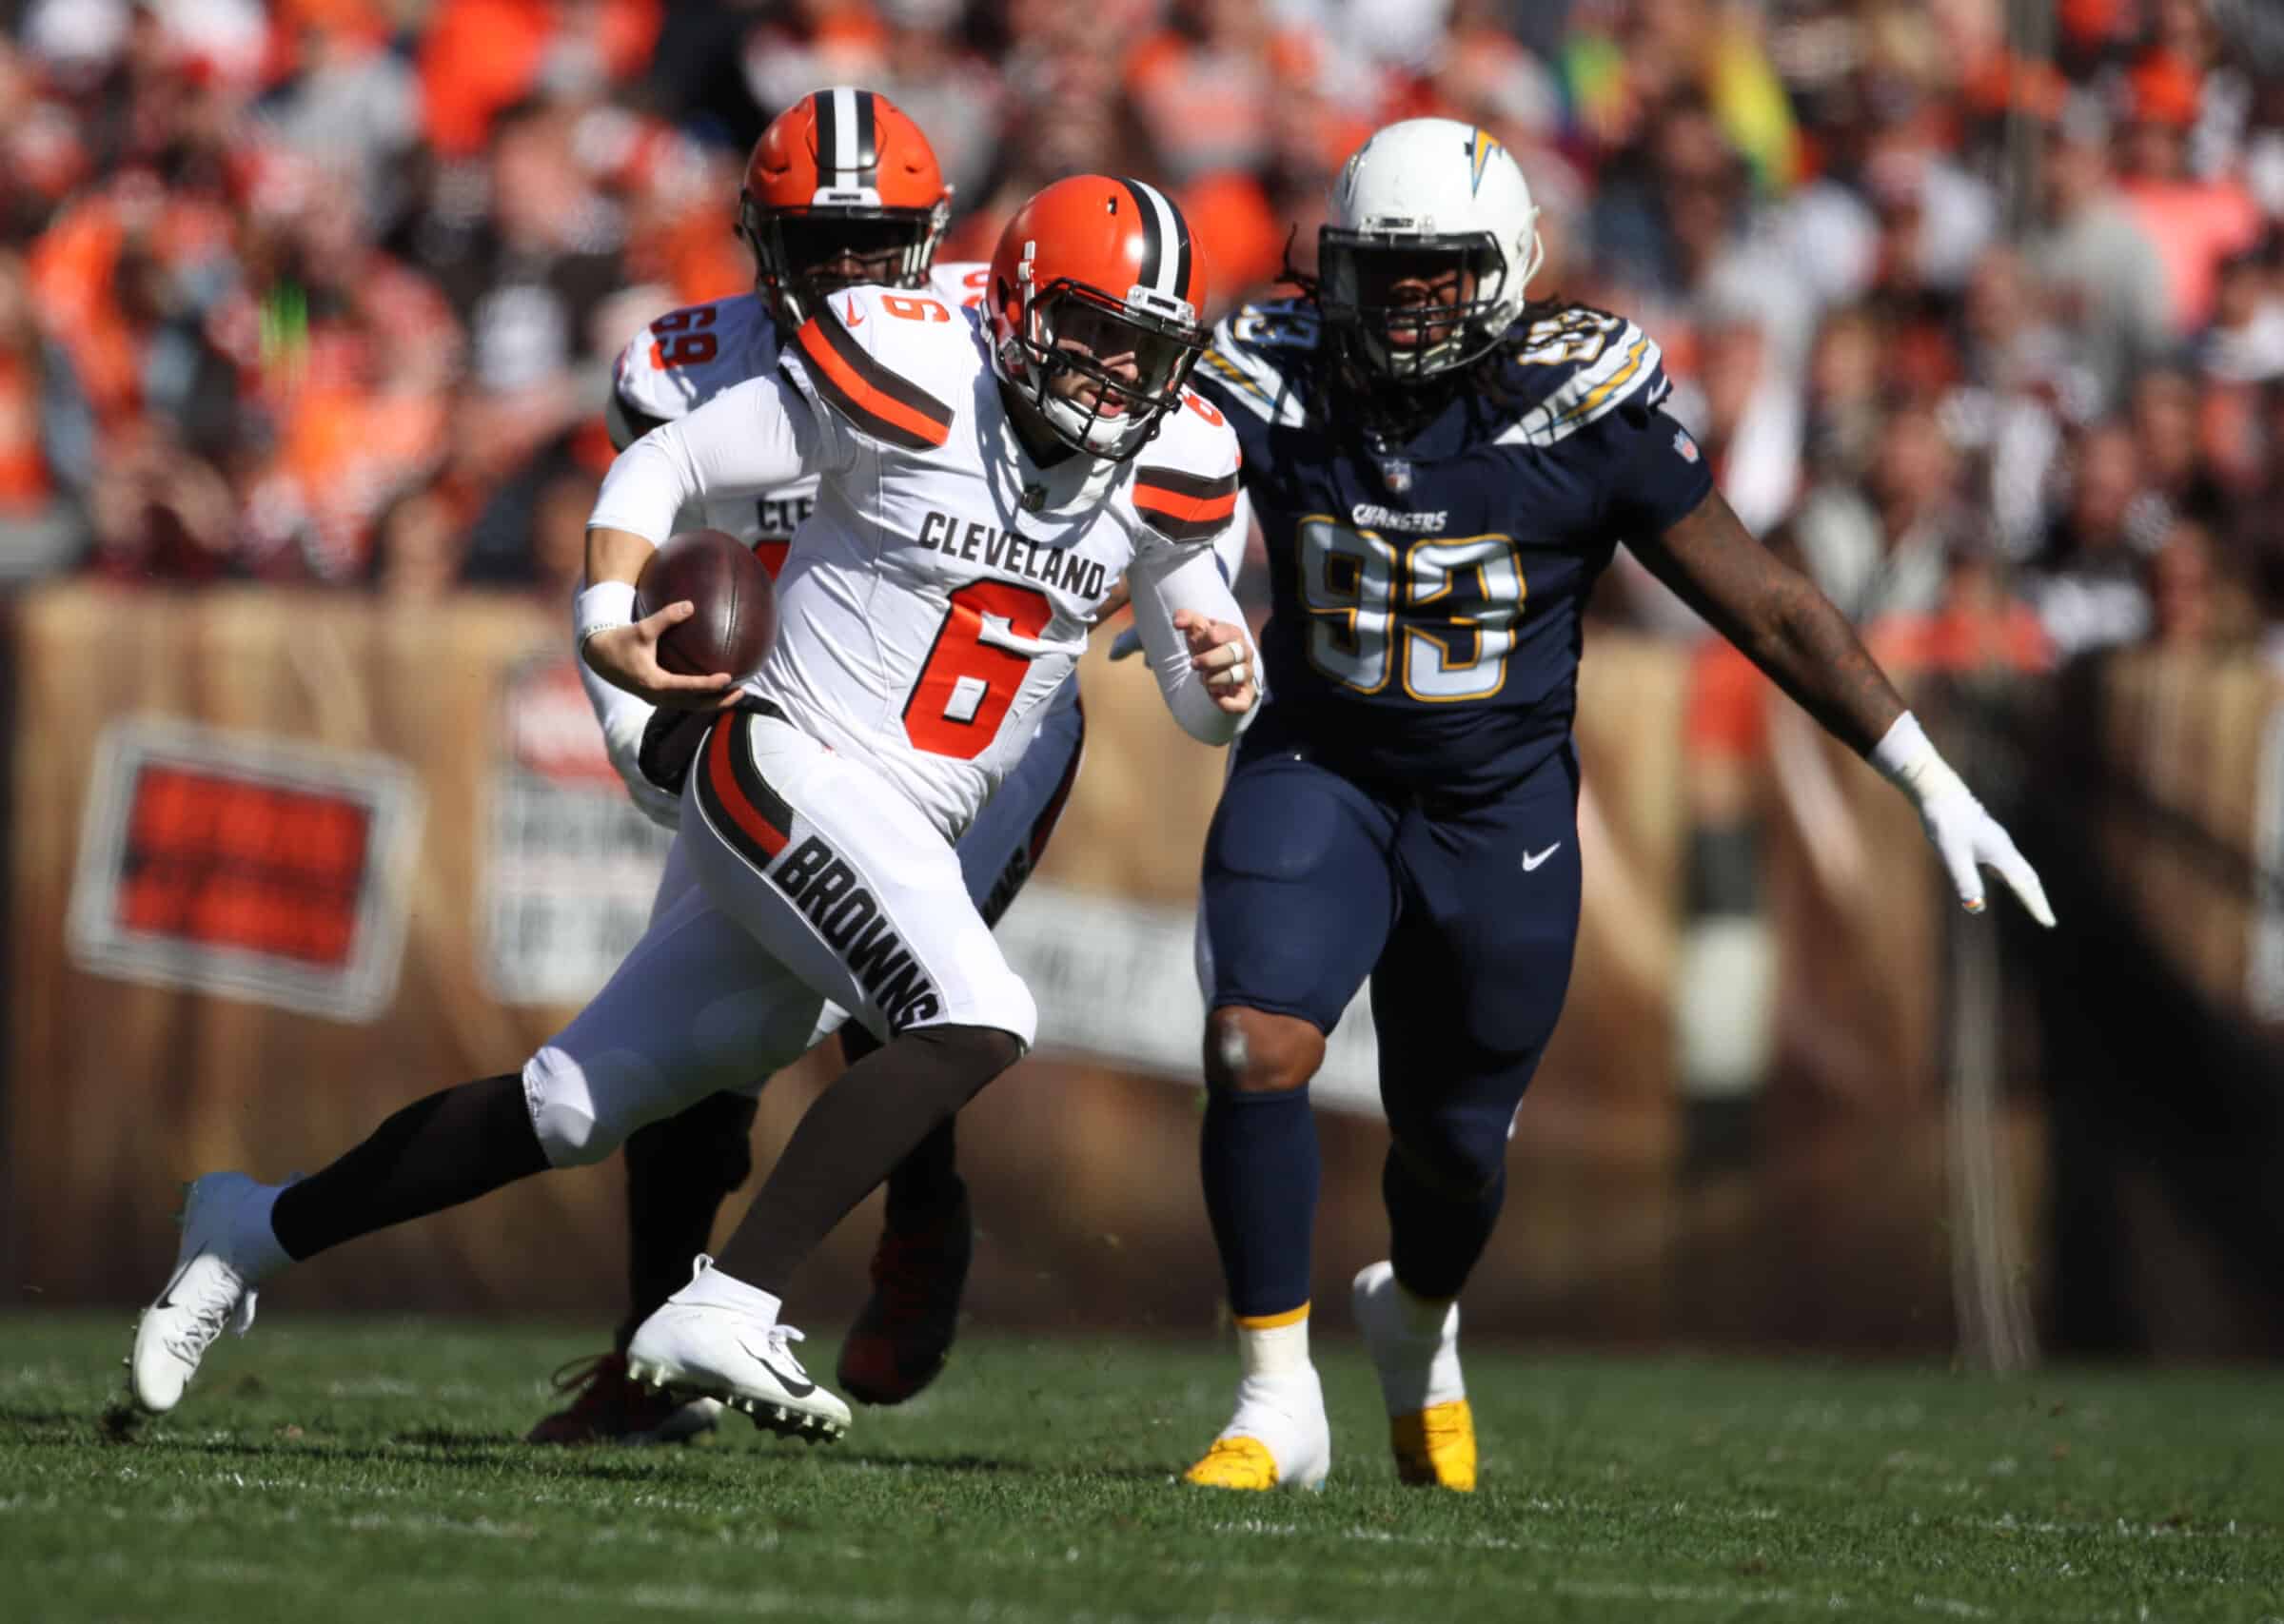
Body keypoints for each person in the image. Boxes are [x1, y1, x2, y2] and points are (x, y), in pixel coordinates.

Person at [128, 173, 1262, 1438]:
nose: (1115, 370)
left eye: (1143, 343)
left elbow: (1198, 678)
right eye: (1091, 328)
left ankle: (249, 1229)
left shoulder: (1182, 458)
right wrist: (612, 618)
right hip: (785, 764)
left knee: (570, 1105)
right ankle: (732, 1299)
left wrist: (1228, 671)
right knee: (981, 1008)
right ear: (1011, 308)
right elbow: (672, 458)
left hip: (886, 821)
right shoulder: (920, 378)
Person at [1179, 119, 2054, 1493]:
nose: (1406, 301)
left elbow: (1763, 605)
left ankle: (1415, 1316)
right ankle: (1275, 1397)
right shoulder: (1272, 379)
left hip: (1497, 810)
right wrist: (1171, 596)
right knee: (1253, 1044)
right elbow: (1143, 496)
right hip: (1321, 771)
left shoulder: (1575, 410)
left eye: (1440, 271)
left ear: (1512, 267)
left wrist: (1922, 770)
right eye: (1380, 270)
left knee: (1457, 1152)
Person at [532, 87, 1257, 1447]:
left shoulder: (1004, 329)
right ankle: (648, 1351)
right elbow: (644, 541)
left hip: (977, 735)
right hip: (773, 703)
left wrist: (1215, 659)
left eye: (879, 246)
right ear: (757, 237)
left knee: (902, 1002)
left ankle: (923, 1219)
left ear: (933, 242)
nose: (850, 275)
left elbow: (1180, 552)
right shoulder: (691, 365)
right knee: (691, 1057)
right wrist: (645, 740)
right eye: (817, 242)